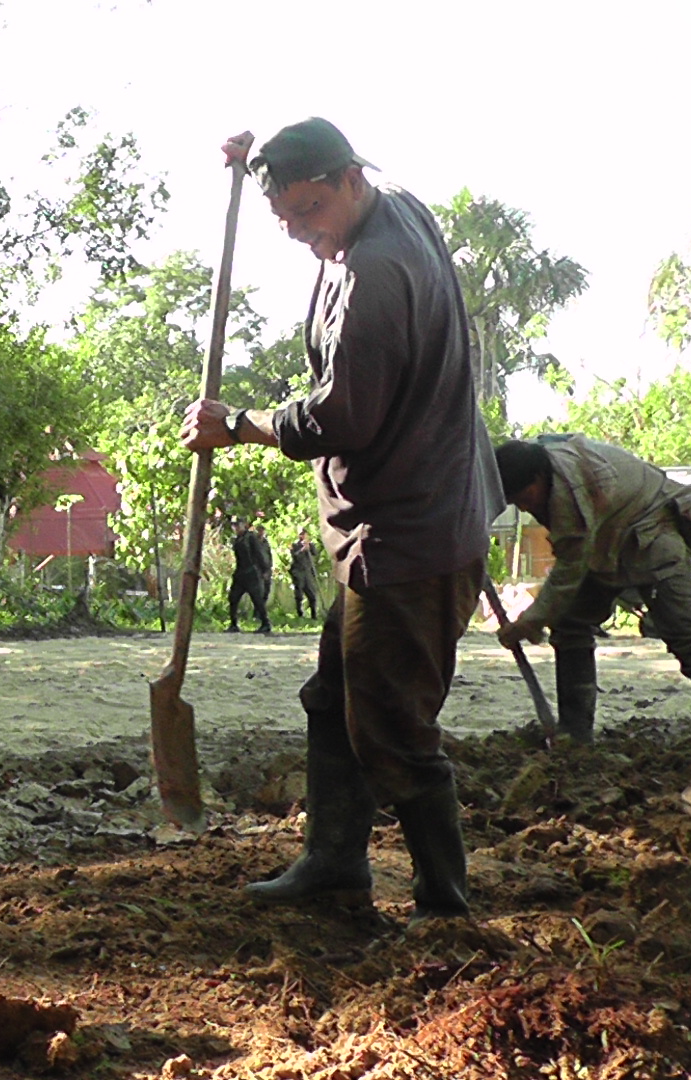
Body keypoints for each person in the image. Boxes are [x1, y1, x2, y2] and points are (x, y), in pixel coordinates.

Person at [181, 119, 502, 923]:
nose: (299, 231)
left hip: (411, 535)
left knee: (393, 728)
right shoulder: (392, 209)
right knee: (333, 696)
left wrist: (240, 424)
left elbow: (342, 418)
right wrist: (250, 169)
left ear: (352, 179)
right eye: (285, 218)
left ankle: (446, 905)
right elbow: (304, 177)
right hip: (394, 527)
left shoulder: (377, 272)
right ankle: (334, 862)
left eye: (312, 209)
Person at [494, 436, 691, 759]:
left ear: (538, 479)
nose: (524, 507)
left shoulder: (571, 496)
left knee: (685, 634)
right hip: (604, 545)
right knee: (569, 624)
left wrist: (528, 623)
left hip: (653, 535)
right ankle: (575, 735)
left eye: (525, 498)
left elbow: (569, 571)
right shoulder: (545, 467)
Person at [226, 517, 273, 634]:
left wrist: (265, 570)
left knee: (257, 600)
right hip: (240, 573)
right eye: (234, 525)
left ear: (244, 525)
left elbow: (259, 554)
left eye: (238, 525)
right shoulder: (237, 539)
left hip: (252, 573)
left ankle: (265, 623)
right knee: (233, 598)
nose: (236, 528)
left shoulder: (250, 537)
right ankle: (233, 624)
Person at [290, 527, 321, 620]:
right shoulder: (294, 545)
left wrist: (309, 546)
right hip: (298, 572)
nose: (303, 536)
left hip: (307, 572)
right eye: (301, 534)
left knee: (312, 594)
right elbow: (295, 556)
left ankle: (314, 615)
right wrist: (302, 549)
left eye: (304, 534)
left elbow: (315, 553)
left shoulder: (310, 545)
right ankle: (300, 614)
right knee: (299, 594)